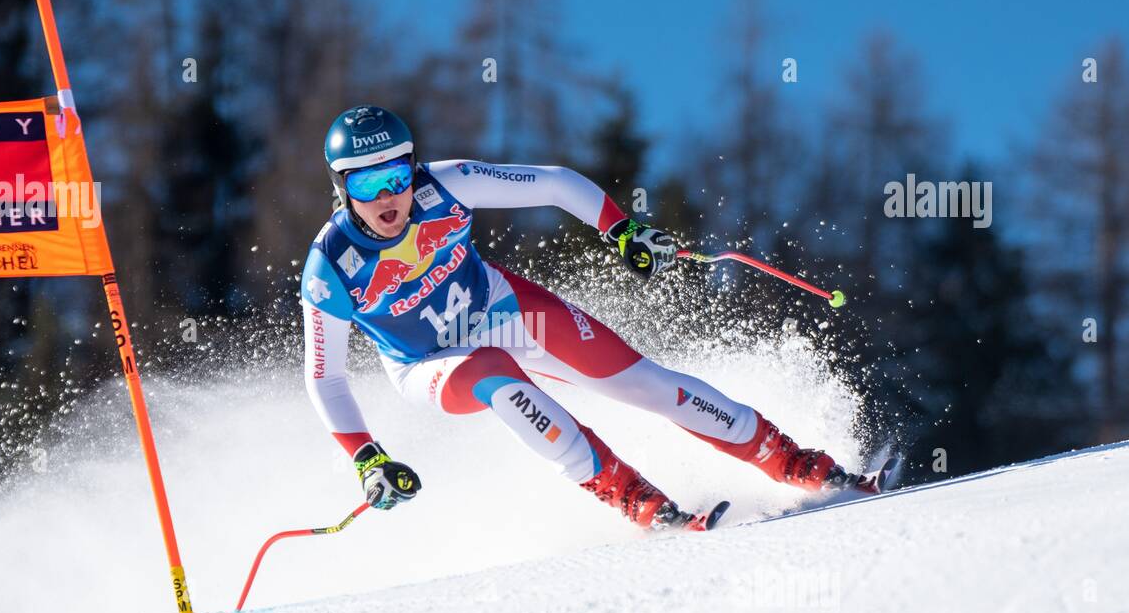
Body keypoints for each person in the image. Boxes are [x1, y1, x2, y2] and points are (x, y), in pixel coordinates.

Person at [300, 105, 882, 531]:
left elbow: (553, 184)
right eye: (368, 183)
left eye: (397, 176)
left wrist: (619, 228)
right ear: (341, 188)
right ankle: (634, 498)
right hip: (428, 364)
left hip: (499, 306)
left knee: (644, 382)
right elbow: (325, 377)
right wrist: (366, 456)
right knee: (495, 372)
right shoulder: (331, 266)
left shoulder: (446, 185)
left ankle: (797, 462)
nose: (389, 197)